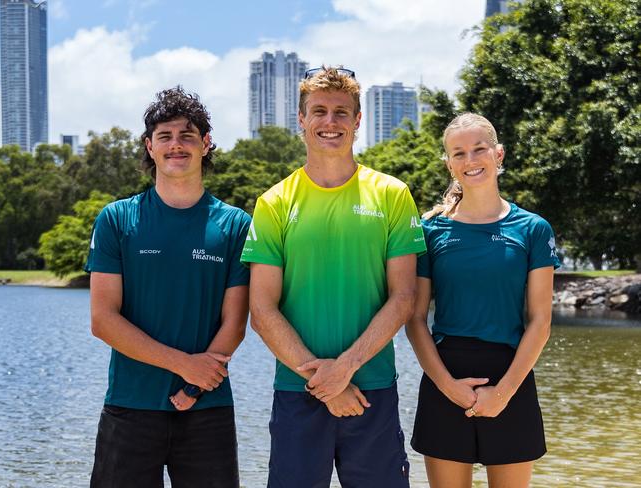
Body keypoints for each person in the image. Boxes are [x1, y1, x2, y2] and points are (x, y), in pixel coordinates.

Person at [241, 66, 426, 488]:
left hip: (372, 389)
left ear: (358, 121)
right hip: (297, 391)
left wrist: (346, 369)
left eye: (342, 112)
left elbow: (403, 297)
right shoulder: (273, 203)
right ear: (301, 120)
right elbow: (261, 308)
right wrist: (324, 382)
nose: (330, 122)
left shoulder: (392, 194)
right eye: (319, 111)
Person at [85, 86, 250, 488]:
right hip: (129, 406)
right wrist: (183, 364)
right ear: (150, 146)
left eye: (187, 136)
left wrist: (195, 383)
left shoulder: (235, 225)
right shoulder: (117, 219)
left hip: (207, 409)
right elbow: (103, 320)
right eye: (165, 136)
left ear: (206, 145)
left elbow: (236, 322)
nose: (176, 145)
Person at [406, 113, 560, 488]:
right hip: (445, 376)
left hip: (512, 377)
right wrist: (447, 385)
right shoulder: (430, 231)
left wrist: (503, 393)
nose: (470, 160)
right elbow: (414, 319)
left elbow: (540, 322)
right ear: (448, 163)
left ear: (499, 154)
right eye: (458, 153)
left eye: (479, 149)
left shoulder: (533, 229)